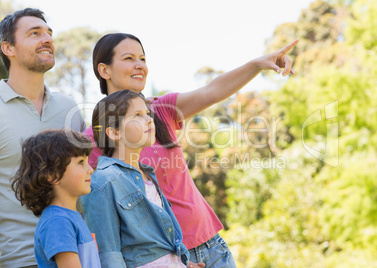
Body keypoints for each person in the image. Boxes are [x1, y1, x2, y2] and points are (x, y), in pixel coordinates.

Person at [84, 32, 298, 267]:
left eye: (143, 59)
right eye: (128, 58)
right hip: (163, 260)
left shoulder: (161, 109)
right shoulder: (95, 137)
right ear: (104, 70)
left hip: (211, 246)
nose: (139, 66)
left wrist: (257, 65)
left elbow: (211, 91)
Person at [0, 8, 86, 267]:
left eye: (49, 33)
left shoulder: (68, 106)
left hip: (76, 256)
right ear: (8, 48)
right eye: (35, 33)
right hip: (19, 258)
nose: (47, 39)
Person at [80, 90, 204, 268]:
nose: (149, 120)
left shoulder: (148, 175)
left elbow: (156, 244)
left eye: (147, 113)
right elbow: (108, 254)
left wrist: (182, 262)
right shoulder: (102, 181)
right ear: (114, 132)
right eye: (137, 115)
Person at [10, 130, 101, 268]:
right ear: (52, 175)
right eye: (81, 162)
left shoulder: (70, 217)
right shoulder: (58, 222)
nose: (90, 170)